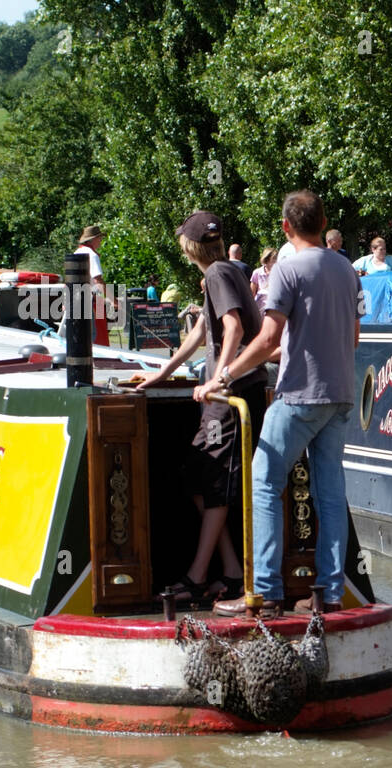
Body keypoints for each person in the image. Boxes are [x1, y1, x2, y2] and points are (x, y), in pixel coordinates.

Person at [213, 190, 360, 618]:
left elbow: (268, 338)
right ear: (323, 220)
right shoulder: (347, 269)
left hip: (299, 395)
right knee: (330, 494)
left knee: (263, 482)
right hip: (341, 396)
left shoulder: (286, 269)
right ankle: (329, 595)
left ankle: (265, 592)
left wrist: (225, 375)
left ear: (285, 227)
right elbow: (350, 338)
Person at [129, 211, 268, 602]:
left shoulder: (219, 274)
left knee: (213, 481)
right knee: (197, 478)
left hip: (229, 397)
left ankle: (196, 577)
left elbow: (235, 328)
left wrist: (217, 380)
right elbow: (201, 331)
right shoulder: (228, 271)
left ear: (189, 247)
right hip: (227, 392)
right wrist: (163, 371)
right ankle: (230, 571)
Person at [73, 224, 112, 346]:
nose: (100, 241)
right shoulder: (92, 255)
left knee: (79, 335)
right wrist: (113, 300)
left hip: (74, 298)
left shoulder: (76, 252)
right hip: (92, 300)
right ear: (93, 239)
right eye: (99, 238)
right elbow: (98, 280)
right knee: (96, 335)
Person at [250, 246, 277, 313]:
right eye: (274, 258)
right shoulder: (257, 272)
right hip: (260, 308)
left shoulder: (279, 273)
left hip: (274, 307)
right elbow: (252, 293)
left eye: (276, 258)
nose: (276, 260)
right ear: (267, 259)